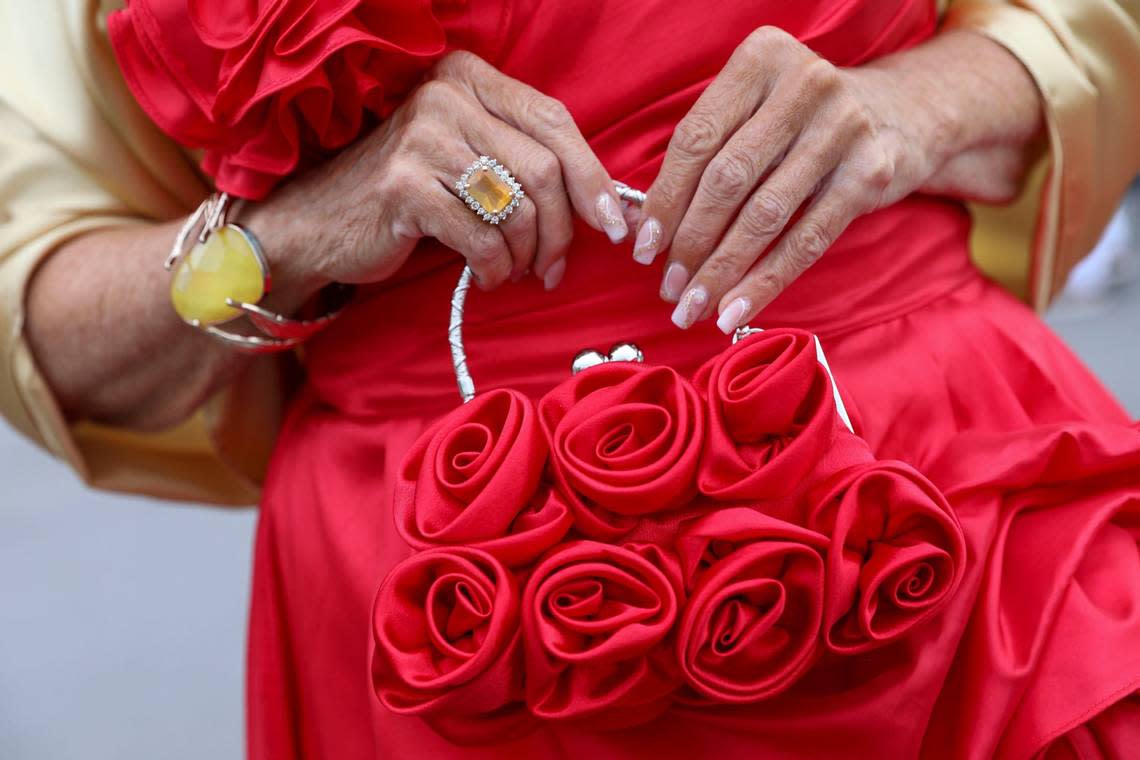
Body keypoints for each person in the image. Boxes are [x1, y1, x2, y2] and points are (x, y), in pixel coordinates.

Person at [1, 0, 1138, 758]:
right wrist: (292, 235)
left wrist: (924, 101)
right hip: (444, 598)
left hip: (926, 496)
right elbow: (41, 319)